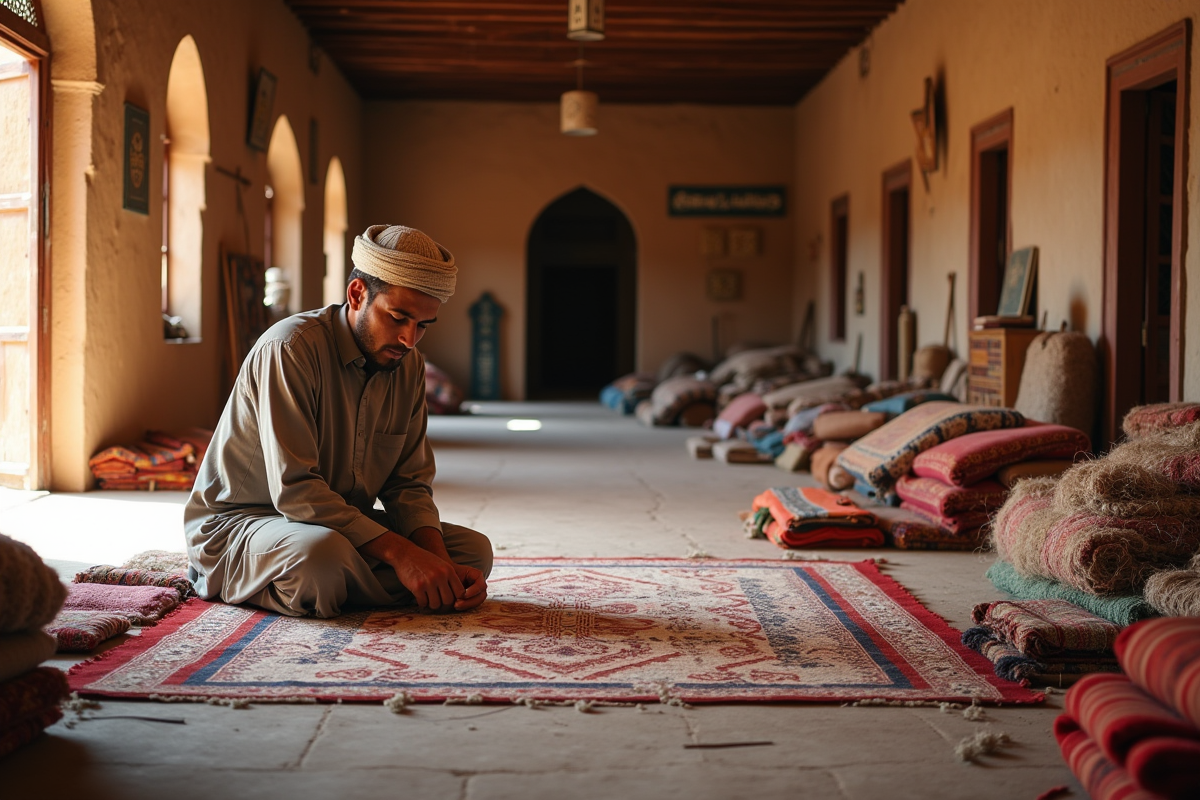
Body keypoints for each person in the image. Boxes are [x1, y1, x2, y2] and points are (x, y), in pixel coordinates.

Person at [184, 224, 492, 618]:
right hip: (245, 524)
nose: (409, 340)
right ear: (357, 294)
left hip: (342, 527)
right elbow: (296, 491)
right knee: (322, 558)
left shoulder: (408, 365)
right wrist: (401, 555)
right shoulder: (289, 349)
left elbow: (409, 484)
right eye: (398, 318)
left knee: (473, 553)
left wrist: (436, 563)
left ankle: (338, 589)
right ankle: (246, 576)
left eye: (423, 326)